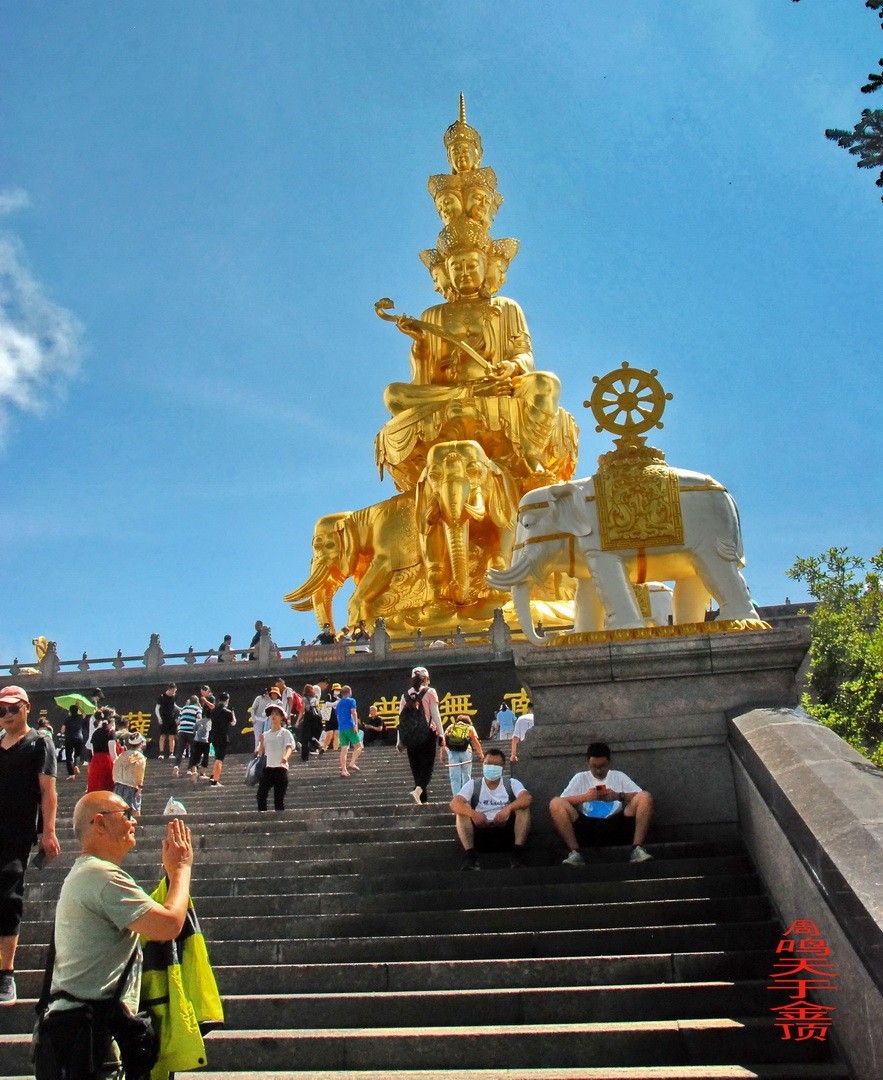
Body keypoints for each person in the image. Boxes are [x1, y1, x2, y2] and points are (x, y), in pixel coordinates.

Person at [45, 792, 193, 1073]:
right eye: (126, 813)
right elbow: (169, 925)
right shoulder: (103, 877)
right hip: (92, 1038)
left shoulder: (85, 873)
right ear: (99, 824)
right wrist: (181, 869)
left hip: (75, 1029)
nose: (134, 819)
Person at [0, 685, 60, 1005]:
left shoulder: (39, 742)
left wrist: (48, 832)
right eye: (2, 710)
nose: (7, 715)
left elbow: (48, 793)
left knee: (8, 896)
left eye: (13, 708)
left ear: (26, 707)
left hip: (17, 832)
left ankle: (6, 973)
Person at [550, 742, 654, 866]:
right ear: (588, 763)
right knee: (555, 803)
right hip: (587, 827)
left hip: (616, 825)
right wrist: (585, 797)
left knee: (645, 797)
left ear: (609, 763)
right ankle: (575, 852)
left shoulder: (618, 776)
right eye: (594, 766)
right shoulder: (580, 778)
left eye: (602, 766)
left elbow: (641, 795)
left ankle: (637, 849)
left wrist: (618, 796)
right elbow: (562, 801)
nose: (598, 770)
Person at [450, 748, 531, 869]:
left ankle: (517, 853)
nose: (491, 767)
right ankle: (470, 855)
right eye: (488, 764)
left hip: (506, 830)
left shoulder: (512, 783)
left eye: (496, 764)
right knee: (462, 809)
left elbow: (527, 798)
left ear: (503, 767)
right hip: (480, 830)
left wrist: (508, 808)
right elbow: (454, 803)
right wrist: (473, 814)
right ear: (483, 765)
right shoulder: (473, 784)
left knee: (523, 808)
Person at [396, 666, 445, 805]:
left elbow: (401, 719)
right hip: (428, 733)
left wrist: (399, 740)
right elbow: (435, 714)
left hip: (410, 735)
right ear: (427, 679)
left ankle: (422, 799)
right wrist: (441, 734)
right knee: (427, 767)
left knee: (416, 767)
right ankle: (418, 792)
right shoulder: (430, 692)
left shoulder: (405, 695)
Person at [255, 703, 295, 811]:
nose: (273, 716)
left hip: (281, 769)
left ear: (281, 717)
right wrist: (261, 742)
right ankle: (262, 817)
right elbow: (260, 753)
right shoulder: (266, 734)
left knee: (278, 799)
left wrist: (285, 757)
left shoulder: (285, 733)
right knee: (261, 794)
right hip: (268, 769)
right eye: (272, 714)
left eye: (276, 714)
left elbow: (289, 747)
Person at [443, 712, 483, 795]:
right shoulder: (470, 727)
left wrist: (442, 753)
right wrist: (481, 754)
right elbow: (475, 742)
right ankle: (466, 796)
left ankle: (456, 797)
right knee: (466, 775)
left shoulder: (452, 726)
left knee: (455, 777)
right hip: (466, 752)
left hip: (452, 752)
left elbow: (443, 740)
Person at [112, 732, 147, 817]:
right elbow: (140, 772)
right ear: (140, 744)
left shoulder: (121, 756)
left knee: (118, 809)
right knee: (135, 808)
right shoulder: (140, 757)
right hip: (131, 786)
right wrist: (139, 787)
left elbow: (115, 769)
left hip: (118, 785)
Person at [209, 692, 236, 787]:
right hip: (223, 736)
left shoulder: (213, 710)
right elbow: (233, 722)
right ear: (227, 700)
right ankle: (215, 780)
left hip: (214, 736)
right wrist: (232, 711)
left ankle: (213, 775)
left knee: (217, 756)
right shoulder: (226, 712)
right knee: (220, 759)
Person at [336, 685, 362, 777]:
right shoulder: (351, 701)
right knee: (359, 746)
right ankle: (352, 763)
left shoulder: (339, 703)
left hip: (341, 728)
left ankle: (343, 770)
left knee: (344, 749)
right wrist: (355, 725)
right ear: (349, 692)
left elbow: (338, 716)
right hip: (350, 726)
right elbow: (353, 712)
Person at [86, 711, 116, 793]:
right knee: (108, 787)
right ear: (112, 721)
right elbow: (112, 752)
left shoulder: (95, 732)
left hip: (95, 761)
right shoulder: (111, 733)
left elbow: (93, 750)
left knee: (96, 786)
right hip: (107, 761)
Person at [173, 695, 202, 777]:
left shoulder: (184, 708)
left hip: (182, 731)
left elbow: (178, 721)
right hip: (191, 731)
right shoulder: (197, 709)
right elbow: (199, 718)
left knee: (180, 750)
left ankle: (176, 766)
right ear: (197, 702)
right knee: (193, 751)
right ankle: (189, 769)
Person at [62, 704, 88, 780]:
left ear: (70, 711)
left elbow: (62, 730)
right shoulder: (80, 717)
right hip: (79, 737)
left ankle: (71, 774)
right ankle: (76, 765)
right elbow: (84, 714)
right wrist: (79, 707)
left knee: (69, 756)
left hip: (69, 738)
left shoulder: (67, 719)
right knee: (77, 755)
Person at [297, 684, 323, 762]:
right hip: (316, 719)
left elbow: (302, 710)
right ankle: (316, 743)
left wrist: (298, 720)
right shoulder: (315, 698)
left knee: (305, 737)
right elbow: (316, 708)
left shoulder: (304, 699)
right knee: (311, 735)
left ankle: (304, 757)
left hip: (308, 718)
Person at [154, 684, 180, 761]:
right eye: (173, 691)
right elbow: (157, 708)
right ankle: (161, 753)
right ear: (170, 689)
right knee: (163, 736)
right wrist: (159, 718)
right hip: (163, 718)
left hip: (172, 718)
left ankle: (171, 753)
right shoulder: (162, 697)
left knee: (172, 736)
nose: (174, 692)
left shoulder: (174, 696)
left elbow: (174, 705)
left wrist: (181, 709)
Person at [190, 707, 212, 782]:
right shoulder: (211, 722)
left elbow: (194, 730)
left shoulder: (199, 721)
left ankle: (194, 771)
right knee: (205, 757)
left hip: (197, 741)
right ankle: (202, 773)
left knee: (195, 757)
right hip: (206, 742)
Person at [249, 686, 273, 751]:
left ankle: (265, 752)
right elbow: (253, 709)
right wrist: (253, 718)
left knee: (266, 736)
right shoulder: (258, 698)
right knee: (258, 737)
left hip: (267, 720)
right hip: (258, 719)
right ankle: (256, 752)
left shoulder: (271, 700)